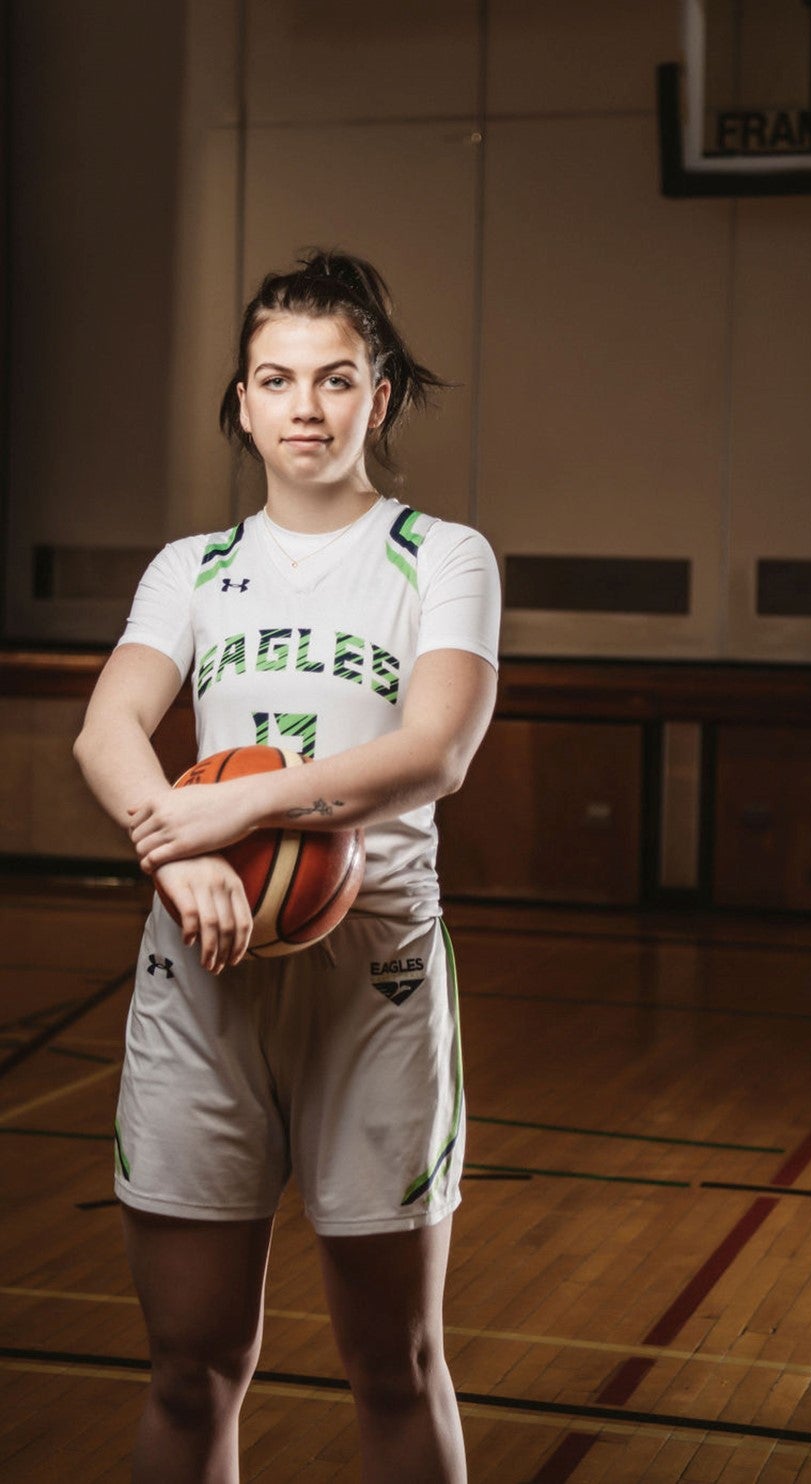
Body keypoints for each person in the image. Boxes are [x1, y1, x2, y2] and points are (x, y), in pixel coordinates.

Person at [74, 250, 501, 1483]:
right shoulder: (192, 569)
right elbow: (108, 730)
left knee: (394, 1364)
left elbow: (436, 750)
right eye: (276, 378)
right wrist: (176, 855)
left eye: (334, 378)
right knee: (188, 1367)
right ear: (244, 400)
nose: (304, 406)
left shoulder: (442, 557)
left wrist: (225, 811)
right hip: (199, 968)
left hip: (374, 977)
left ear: (378, 397)